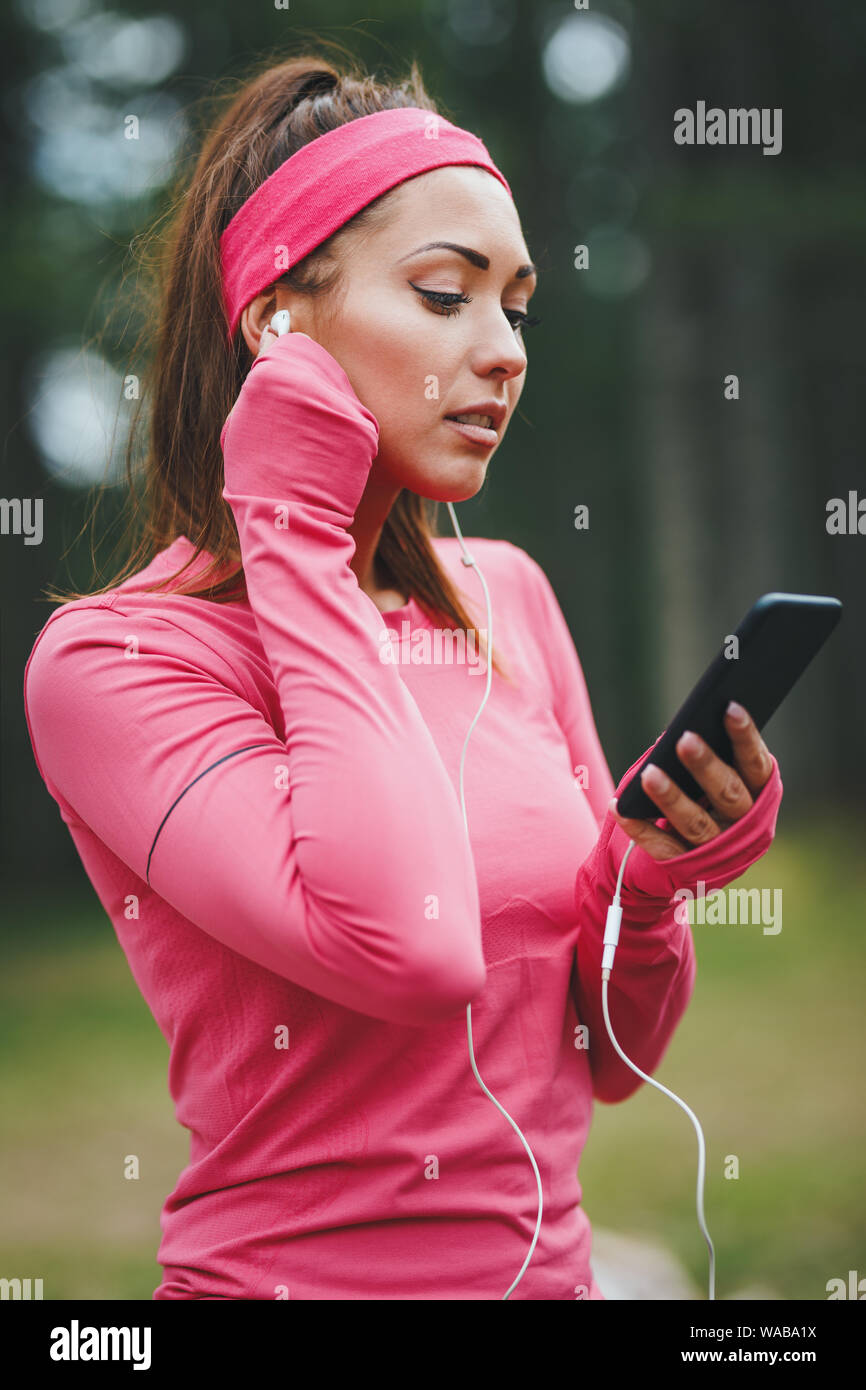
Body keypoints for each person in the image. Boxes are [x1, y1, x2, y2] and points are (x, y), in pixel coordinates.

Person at [23, 54, 783, 1301]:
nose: (501, 353)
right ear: (277, 320)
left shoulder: (510, 600)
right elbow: (409, 952)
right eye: (444, 295)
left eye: (516, 307)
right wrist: (287, 524)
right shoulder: (117, 661)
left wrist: (644, 890)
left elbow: (607, 1058)